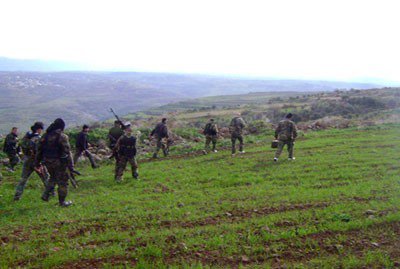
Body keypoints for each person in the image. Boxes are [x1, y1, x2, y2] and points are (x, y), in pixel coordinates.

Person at [35, 118, 74, 207]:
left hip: (47, 162)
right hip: (59, 163)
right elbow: (67, 152)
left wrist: (37, 163)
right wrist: (71, 167)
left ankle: (45, 194)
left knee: (53, 178)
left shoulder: (45, 136)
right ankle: (62, 202)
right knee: (63, 182)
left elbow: (39, 151)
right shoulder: (62, 136)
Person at [14, 122, 50, 201]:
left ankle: (17, 195)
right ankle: (51, 193)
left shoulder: (26, 137)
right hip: (36, 160)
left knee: (23, 179)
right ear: (39, 129)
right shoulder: (38, 138)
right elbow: (39, 151)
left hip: (27, 160)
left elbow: (21, 146)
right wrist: (39, 163)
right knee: (45, 177)